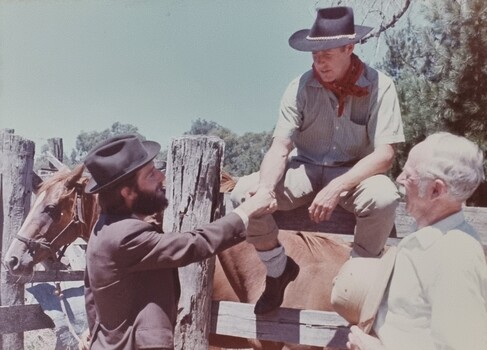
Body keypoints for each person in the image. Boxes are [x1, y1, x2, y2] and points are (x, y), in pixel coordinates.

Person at [230, 6, 404, 315]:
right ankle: (277, 268)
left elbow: (384, 154)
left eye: (326, 54)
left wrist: (338, 186)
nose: (318, 61)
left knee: (385, 197)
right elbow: (280, 146)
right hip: (304, 169)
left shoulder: (381, 85)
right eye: (313, 54)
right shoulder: (298, 87)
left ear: (349, 48)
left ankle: (358, 279)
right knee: (245, 193)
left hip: (355, 174)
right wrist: (268, 188)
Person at [80, 135, 276, 350]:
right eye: (150, 174)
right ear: (127, 192)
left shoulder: (103, 228)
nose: (161, 177)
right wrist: (246, 212)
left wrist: (97, 330)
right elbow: (193, 244)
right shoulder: (126, 235)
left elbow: (92, 294)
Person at [343, 132, 487, 350]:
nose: (399, 179)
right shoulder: (429, 238)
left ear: (436, 190)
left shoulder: (454, 255)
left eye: (409, 176)